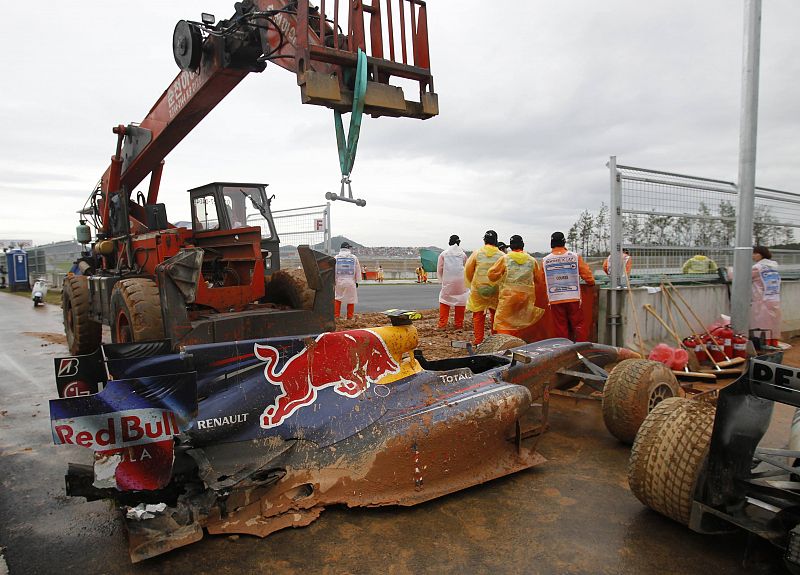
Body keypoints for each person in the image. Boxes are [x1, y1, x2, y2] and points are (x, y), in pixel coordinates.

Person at [542, 231, 596, 341]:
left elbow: (542, 280)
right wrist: (591, 283)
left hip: (555, 298)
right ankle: (581, 346)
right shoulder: (574, 257)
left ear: (551, 243)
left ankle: (564, 347)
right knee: (578, 324)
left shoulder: (545, 260)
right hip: (573, 296)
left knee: (560, 326)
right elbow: (587, 274)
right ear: (564, 242)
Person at [487, 235, 544, 339]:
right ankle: (521, 342)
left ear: (511, 246)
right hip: (526, 297)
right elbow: (538, 280)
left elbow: (491, 275)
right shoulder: (532, 260)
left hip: (509, 296)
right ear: (522, 245)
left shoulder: (505, 259)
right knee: (522, 319)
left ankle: (505, 341)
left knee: (504, 321)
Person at [464, 230, 504, 345]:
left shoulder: (477, 253)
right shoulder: (501, 255)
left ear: (484, 240)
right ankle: (495, 339)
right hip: (495, 289)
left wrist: (474, 283)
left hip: (479, 289)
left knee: (478, 314)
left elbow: (468, 270)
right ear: (496, 241)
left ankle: (478, 340)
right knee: (495, 314)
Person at [437, 235, 469, 330]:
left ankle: (442, 324)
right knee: (461, 301)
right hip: (461, 283)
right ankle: (459, 324)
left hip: (448, 282)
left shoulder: (443, 254)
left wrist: (441, 280)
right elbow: (466, 267)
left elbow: (439, 269)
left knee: (444, 300)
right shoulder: (463, 255)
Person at [751, 246, 781, 341]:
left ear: (761, 255)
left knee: (762, 323)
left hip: (762, 299)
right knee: (774, 323)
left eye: (755, 253)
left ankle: (764, 343)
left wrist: (729, 271)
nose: (753, 256)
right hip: (774, 298)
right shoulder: (774, 265)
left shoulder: (757, 267)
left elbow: (743, 275)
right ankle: (774, 342)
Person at [334, 242, 360, 319]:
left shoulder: (336, 258)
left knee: (337, 298)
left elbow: (333, 270)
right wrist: (357, 281)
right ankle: (349, 317)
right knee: (351, 299)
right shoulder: (354, 258)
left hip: (339, 281)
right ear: (348, 248)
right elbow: (358, 270)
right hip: (350, 282)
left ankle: (336, 316)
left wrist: (334, 281)